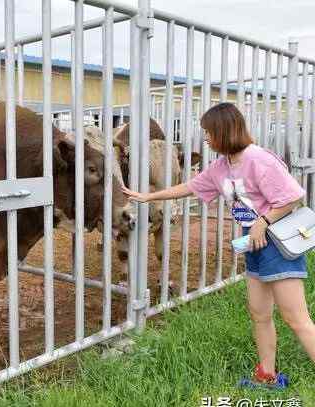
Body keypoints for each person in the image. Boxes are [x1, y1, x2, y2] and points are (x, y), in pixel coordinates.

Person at [122, 102, 315, 389]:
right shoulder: (221, 166)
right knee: (259, 314)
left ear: (224, 130)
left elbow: (292, 196)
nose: (206, 139)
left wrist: (263, 220)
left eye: (209, 132)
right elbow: (190, 187)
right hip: (254, 244)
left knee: (296, 318)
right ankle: (267, 375)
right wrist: (149, 197)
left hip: (276, 244)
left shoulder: (259, 159)